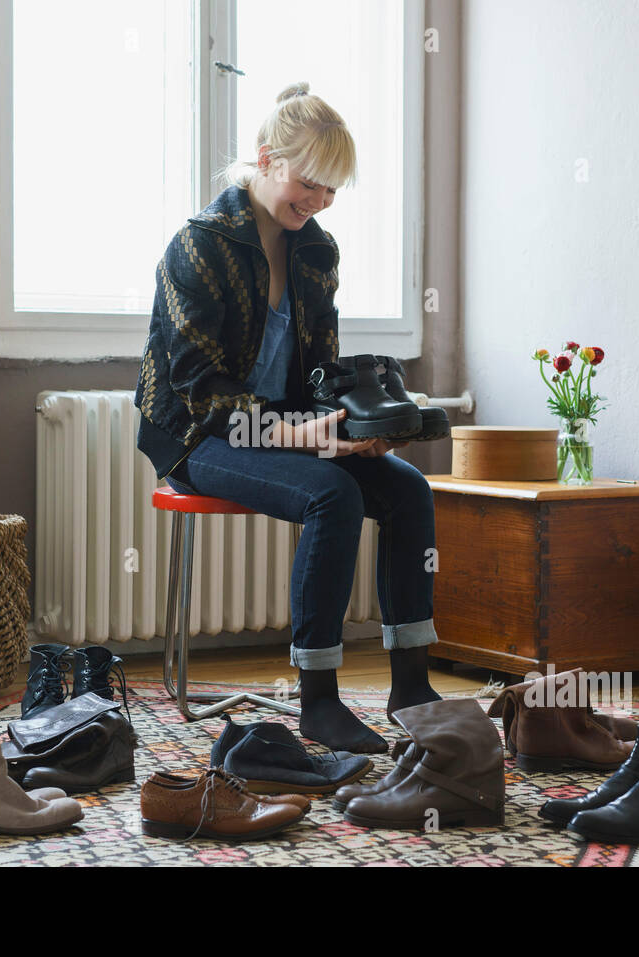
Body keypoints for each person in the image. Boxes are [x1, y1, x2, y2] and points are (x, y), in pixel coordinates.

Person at [134, 81, 440, 754]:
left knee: (408, 491)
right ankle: (320, 701)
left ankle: (412, 688)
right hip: (201, 432)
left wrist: (349, 428)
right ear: (266, 156)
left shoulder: (317, 250)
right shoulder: (200, 245)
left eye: (333, 189)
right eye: (310, 182)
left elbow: (319, 371)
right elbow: (198, 389)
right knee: (331, 494)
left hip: (284, 427)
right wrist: (294, 436)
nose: (320, 201)